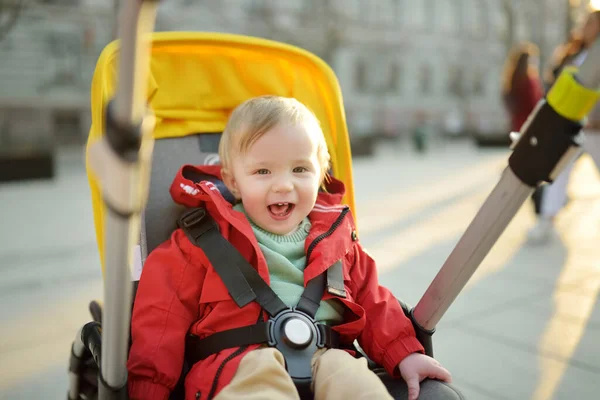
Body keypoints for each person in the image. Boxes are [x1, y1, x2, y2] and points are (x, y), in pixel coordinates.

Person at [126, 95, 451, 400]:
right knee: (256, 380)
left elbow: (374, 299)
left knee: (355, 380)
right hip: (240, 360)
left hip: (329, 355)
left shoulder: (337, 237)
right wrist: (150, 385)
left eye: (300, 169)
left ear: (321, 173)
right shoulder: (202, 238)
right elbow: (162, 314)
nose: (283, 184)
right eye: (263, 171)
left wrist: (405, 352)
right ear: (234, 181)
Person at [527, 10, 600, 244]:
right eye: (586, 21)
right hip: (571, 126)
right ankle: (546, 221)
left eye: (591, 22)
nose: (585, 26)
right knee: (557, 174)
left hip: (596, 128)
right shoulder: (573, 53)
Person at [500, 41, 544, 134]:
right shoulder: (530, 81)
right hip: (530, 122)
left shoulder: (512, 80)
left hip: (517, 122)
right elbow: (534, 102)